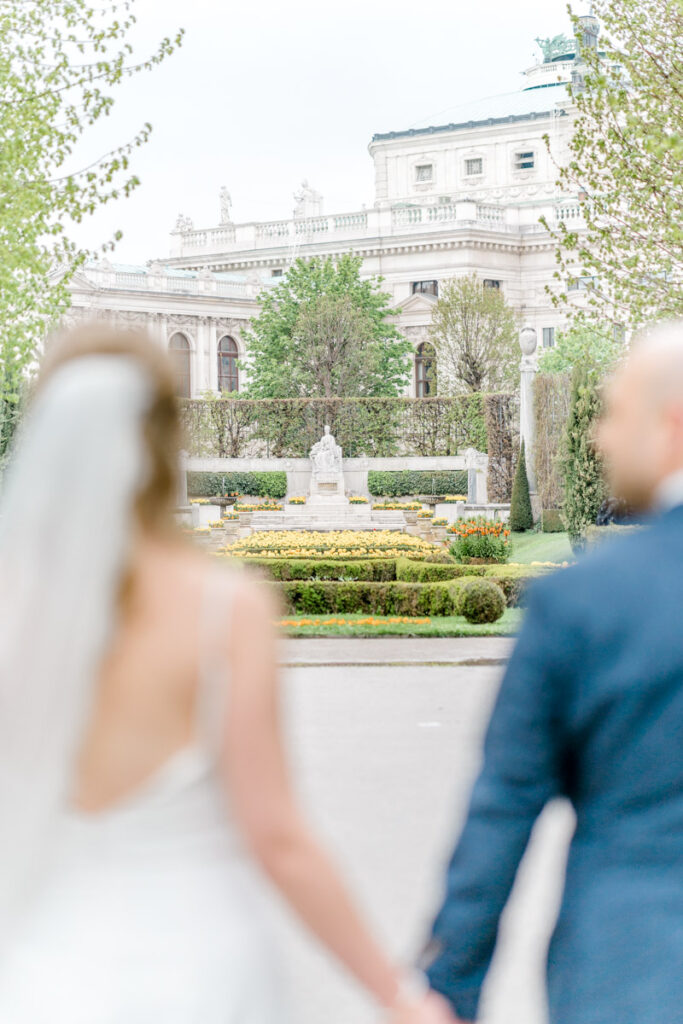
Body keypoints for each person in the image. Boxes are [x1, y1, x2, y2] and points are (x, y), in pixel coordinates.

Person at [0, 325, 453, 1024]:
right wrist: (395, 993)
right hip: (199, 970)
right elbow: (277, 836)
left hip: (46, 974)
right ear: (163, 441)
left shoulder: (15, 610)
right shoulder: (221, 607)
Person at [422, 320, 683, 1023]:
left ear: (672, 424)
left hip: (631, 971)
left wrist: (447, 986)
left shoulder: (585, 597)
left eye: (613, 413)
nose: (597, 436)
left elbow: (504, 802)